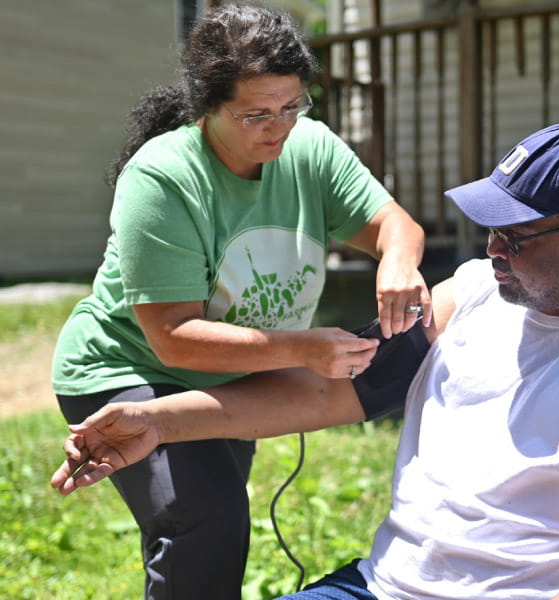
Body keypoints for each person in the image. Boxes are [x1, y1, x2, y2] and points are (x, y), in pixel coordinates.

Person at [52, 122, 559, 600]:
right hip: (386, 586)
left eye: (515, 238)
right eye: (488, 229)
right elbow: (330, 394)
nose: (491, 251)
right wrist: (160, 421)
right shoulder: (471, 295)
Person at [50, 4, 431, 599]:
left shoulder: (309, 148)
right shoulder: (163, 179)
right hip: (129, 369)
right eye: (255, 113)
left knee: (209, 527)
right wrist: (304, 349)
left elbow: (393, 225)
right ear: (208, 105)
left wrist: (399, 260)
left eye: (290, 106)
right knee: (206, 521)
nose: (277, 127)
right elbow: (175, 337)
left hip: (233, 374)